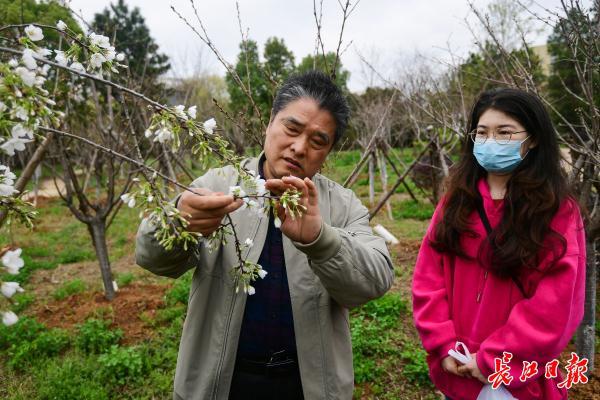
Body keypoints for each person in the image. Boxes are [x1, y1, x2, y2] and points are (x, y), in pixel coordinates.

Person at [135, 70, 394, 400]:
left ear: (328, 152)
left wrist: (320, 239)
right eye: (292, 128)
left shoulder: (341, 206)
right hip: (222, 384)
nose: (299, 148)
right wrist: (176, 223)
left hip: (306, 386)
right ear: (269, 122)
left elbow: (375, 280)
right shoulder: (216, 186)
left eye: (318, 141)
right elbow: (150, 258)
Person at [411, 88, 586, 400]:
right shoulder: (456, 201)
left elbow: (556, 306)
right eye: (482, 132)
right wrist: (442, 343)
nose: (490, 141)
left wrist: (494, 358)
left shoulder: (556, 211)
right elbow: (428, 278)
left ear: (532, 138)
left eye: (504, 132)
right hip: (458, 367)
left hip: (517, 381)